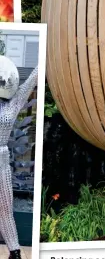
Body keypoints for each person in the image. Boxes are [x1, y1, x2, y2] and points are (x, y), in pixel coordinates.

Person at [0, 56, 38, 259]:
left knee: (5, 210)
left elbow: (30, 82)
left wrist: (44, 59)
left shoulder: (12, 104)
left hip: (1, 161)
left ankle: (15, 252)